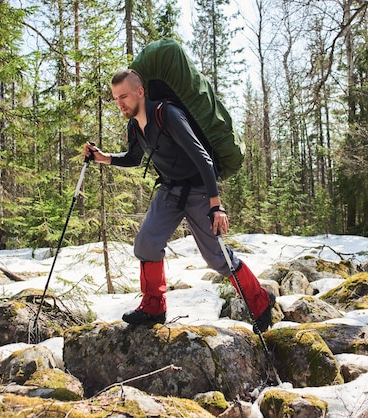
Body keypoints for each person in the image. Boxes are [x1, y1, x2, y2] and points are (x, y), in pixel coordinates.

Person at [84, 69, 274, 332]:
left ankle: (261, 302)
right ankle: (153, 307)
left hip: (198, 190)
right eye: (116, 98)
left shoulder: (168, 115)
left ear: (140, 92)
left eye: (124, 96)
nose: (120, 103)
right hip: (170, 191)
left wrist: (216, 205)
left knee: (218, 260)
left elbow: (203, 158)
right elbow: (134, 158)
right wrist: (103, 158)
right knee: (146, 243)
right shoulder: (134, 126)